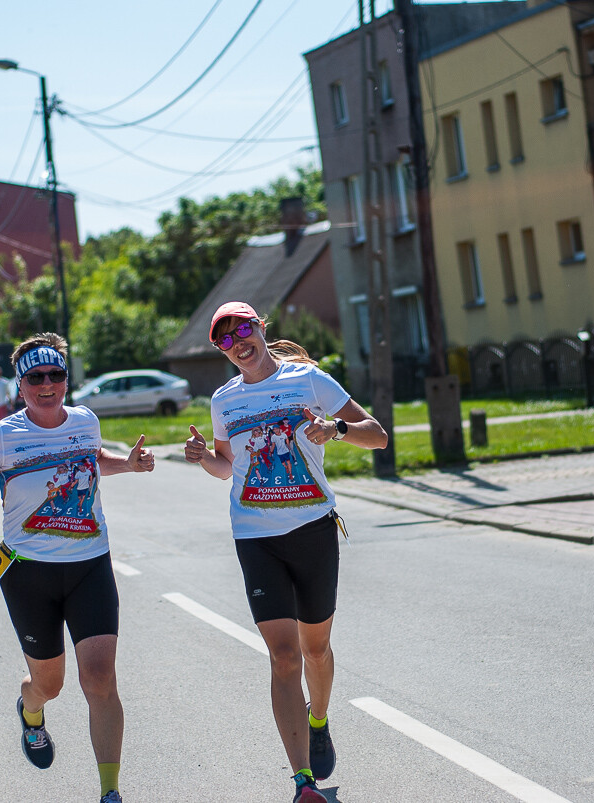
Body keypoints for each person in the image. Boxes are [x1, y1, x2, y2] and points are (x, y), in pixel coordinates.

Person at [183, 302, 387, 803]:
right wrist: (204, 457)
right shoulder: (224, 400)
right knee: (283, 655)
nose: (238, 343)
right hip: (255, 537)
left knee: (315, 649)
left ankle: (319, 719)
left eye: (243, 330)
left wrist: (336, 430)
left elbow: (378, 436)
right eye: (225, 339)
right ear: (221, 350)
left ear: (260, 327)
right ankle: (302, 782)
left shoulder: (309, 380)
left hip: (312, 529)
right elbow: (227, 466)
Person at [0, 333, 155, 803]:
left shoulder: (85, 421)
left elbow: (92, 460)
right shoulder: (3, 436)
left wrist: (127, 464)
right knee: (50, 684)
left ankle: (110, 792)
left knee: (99, 678)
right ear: (19, 386)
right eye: (35, 377)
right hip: (28, 574)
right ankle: (30, 710)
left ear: (66, 379)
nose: (47, 384)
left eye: (55, 374)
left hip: (89, 565)